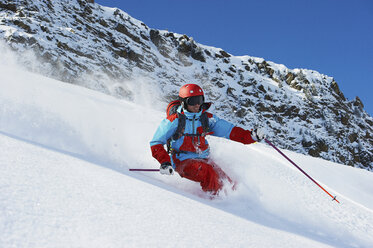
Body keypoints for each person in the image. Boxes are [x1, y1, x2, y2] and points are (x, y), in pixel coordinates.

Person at [150, 84, 265, 195]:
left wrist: (251, 136)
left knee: (227, 181)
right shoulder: (174, 121)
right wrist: (165, 162)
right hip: (182, 161)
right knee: (208, 173)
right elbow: (156, 143)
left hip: (203, 158)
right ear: (184, 103)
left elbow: (230, 131)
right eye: (192, 101)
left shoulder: (206, 118)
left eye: (199, 100)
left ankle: (238, 202)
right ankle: (216, 204)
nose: (197, 105)